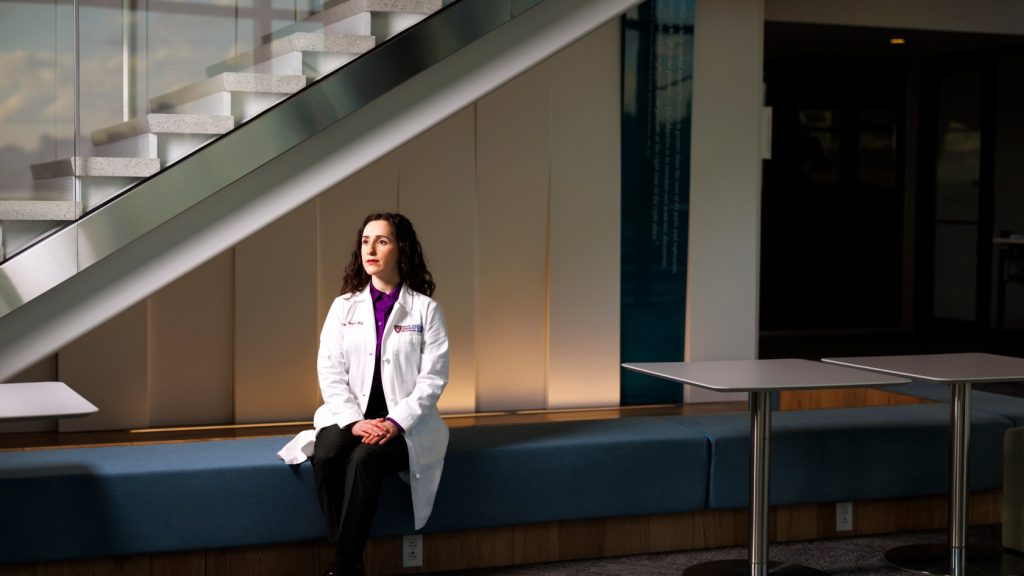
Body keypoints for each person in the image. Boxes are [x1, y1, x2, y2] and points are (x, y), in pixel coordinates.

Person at [278, 213, 449, 576]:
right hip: (349, 414)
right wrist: (354, 422)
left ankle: (342, 564)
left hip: (404, 424)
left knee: (363, 460)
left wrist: (395, 422)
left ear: (401, 249)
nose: (370, 249)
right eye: (365, 241)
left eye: (381, 241)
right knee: (327, 455)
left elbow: (433, 379)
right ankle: (350, 556)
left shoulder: (426, 310)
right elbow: (329, 370)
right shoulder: (344, 307)